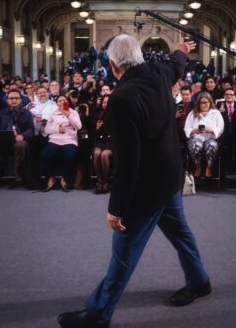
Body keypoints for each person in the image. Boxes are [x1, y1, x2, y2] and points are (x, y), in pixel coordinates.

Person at [57, 35, 209, 328]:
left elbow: (128, 162)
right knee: (181, 234)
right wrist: (180, 48)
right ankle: (200, 281)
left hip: (148, 189)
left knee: (124, 253)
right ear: (139, 57)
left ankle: (99, 314)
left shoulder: (122, 99)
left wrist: (116, 208)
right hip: (170, 177)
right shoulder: (159, 72)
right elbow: (177, 64)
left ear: (113, 65)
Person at [0, 89, 34, 186]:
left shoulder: (27, 113)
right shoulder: (2, 113)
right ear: (7, 100)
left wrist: (22, 135)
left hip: (17, 140)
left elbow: (30, 130)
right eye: (11, 98)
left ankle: (18, 173)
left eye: (16, 98)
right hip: (3, 140)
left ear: (20, 100)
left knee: (21, 145)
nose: (14, 100)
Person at [41, 95, 82, 192]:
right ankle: (51, 178)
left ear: (67, 102)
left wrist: (68, 115)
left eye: (64, 100)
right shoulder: (53, 114)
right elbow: (46, 129)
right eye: (59, 101)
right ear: (57, 103)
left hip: (69, 139)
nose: (62, 102)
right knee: (45, 155)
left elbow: (79, 126)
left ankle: (64, 178)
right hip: (55, 139)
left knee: (70, 155)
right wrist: (57, 128)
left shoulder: (73, 112)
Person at [183, 91, 224, 178]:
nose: (204, 104)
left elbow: (221, 127)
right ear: (198, 103)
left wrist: (212, 130)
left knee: (211, 145)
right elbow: (186, 128)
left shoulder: (216, 113)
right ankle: (198, 166)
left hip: (211, 138)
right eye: (201, 102)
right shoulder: (192, 113)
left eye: (206, 102)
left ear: (210, 102)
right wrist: (194, 130)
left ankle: (209, 167)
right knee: (196, 145)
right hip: (196, 138)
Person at [91, 94, 114, 194]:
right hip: (100, 140)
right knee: (96, 153)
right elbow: (92, 133)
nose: (105, 104)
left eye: (108, 102)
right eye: (104, 102)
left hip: (112, 141)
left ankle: (105, 182)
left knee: (104, 155)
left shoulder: (117, 114)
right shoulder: (97, 114)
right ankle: (99, 181)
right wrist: (97, 128)